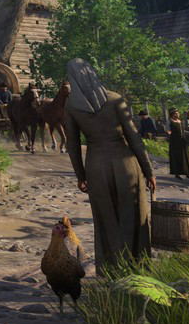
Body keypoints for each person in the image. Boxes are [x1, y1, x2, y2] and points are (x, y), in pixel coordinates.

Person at [62, 60, 155, 271]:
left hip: (96, 166)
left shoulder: (72, 106)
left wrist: (80, 176)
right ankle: (139, 264)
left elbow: (73, 145)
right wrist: (148, 171)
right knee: (134, 214)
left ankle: (110, 267)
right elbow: (134, 138)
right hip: (126, 165)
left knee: (106, 218)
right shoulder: (115, 99)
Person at [167, 109, 189, 180]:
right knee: (176, 157)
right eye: (176, 113)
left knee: (185, 156)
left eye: (178, 113)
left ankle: (187, 173)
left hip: (182, 141)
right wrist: (170, 134)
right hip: (175, 142)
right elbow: (168, 131)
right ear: (172, 115)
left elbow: (183, 131)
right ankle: (177, 173)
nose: (177, 114)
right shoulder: (170, 122)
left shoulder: (180, 121)